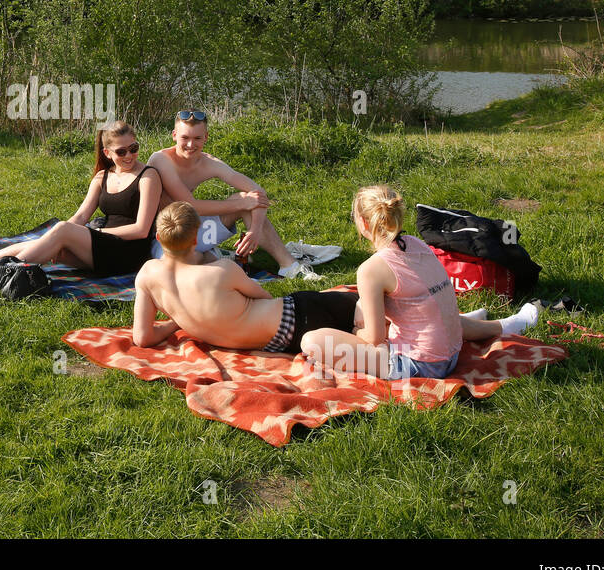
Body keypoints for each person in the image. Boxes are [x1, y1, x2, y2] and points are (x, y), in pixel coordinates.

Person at [300, 186, 540, 379]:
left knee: (311, 341)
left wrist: (356, 332)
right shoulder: (417, 244)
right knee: (406, 311)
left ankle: (492, 325)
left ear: (363, 223)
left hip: (421, 366)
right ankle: (501, 324)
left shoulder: (370, 270)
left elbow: (373, 338)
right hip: (452, 351)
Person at [0, 121, 163, 287]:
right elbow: (80, 216)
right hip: (100, 249)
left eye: (134, 148)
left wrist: (95, 232)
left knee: (61, 232)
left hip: (128, 254)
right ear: (107, 152)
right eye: (121, 151)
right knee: (44, 243)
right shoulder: (102, 176)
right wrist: (62, 233)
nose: (129, 155)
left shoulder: (147, 176)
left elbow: (141, 230)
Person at [133, 202, 360, 350]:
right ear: (195, 239)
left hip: (279, 346)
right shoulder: (220, 271)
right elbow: (263, 295)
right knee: (366, 304)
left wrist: (178, 322)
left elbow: (142, 338)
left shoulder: (147, 276)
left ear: (159, 237)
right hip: (298, 316)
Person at [145, 110, 330, 280]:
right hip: (166, 237)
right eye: (185, 137)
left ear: (206, 137)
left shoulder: (209, 163)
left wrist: (254, 230)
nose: (191, 145)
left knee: (245, 198)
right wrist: (243, 203)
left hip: (196, 228)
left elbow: (258, 192)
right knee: (188, 271)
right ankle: (219, 256)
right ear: (174, 135)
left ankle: (288, 266)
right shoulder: (161, 159)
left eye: (197, 138)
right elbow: (189, 204)